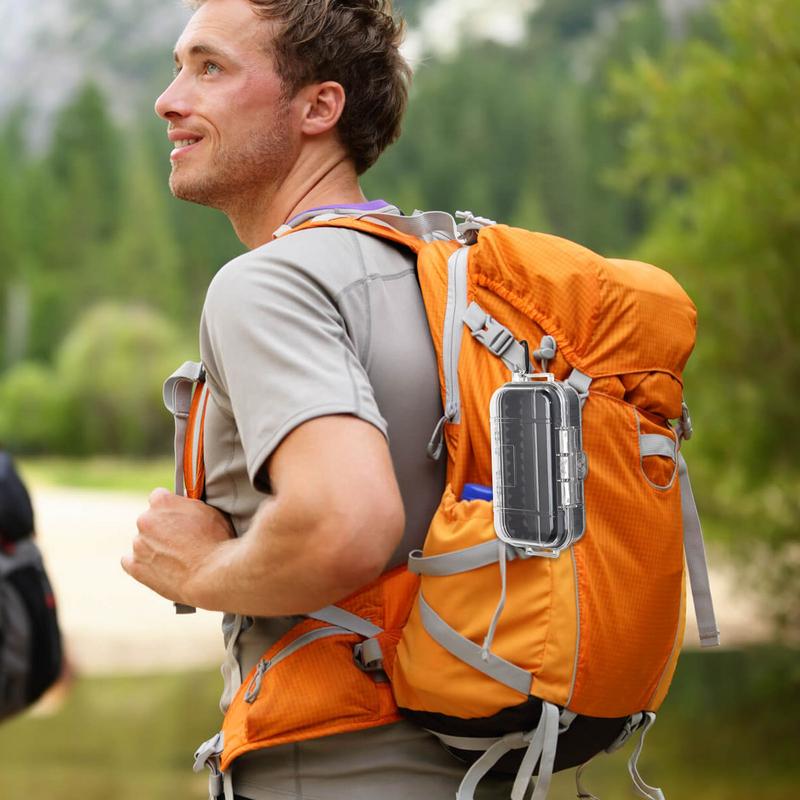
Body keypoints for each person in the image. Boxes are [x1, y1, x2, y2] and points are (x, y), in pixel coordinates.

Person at [122, 1, 515, 797]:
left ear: (318, 108)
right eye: (177, 67)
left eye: (210, 67)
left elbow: (346, 523)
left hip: (340, 768)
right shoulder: (452, 286)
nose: (169, 100)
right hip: (493, 766)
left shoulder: (270, 284)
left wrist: (198, 569)